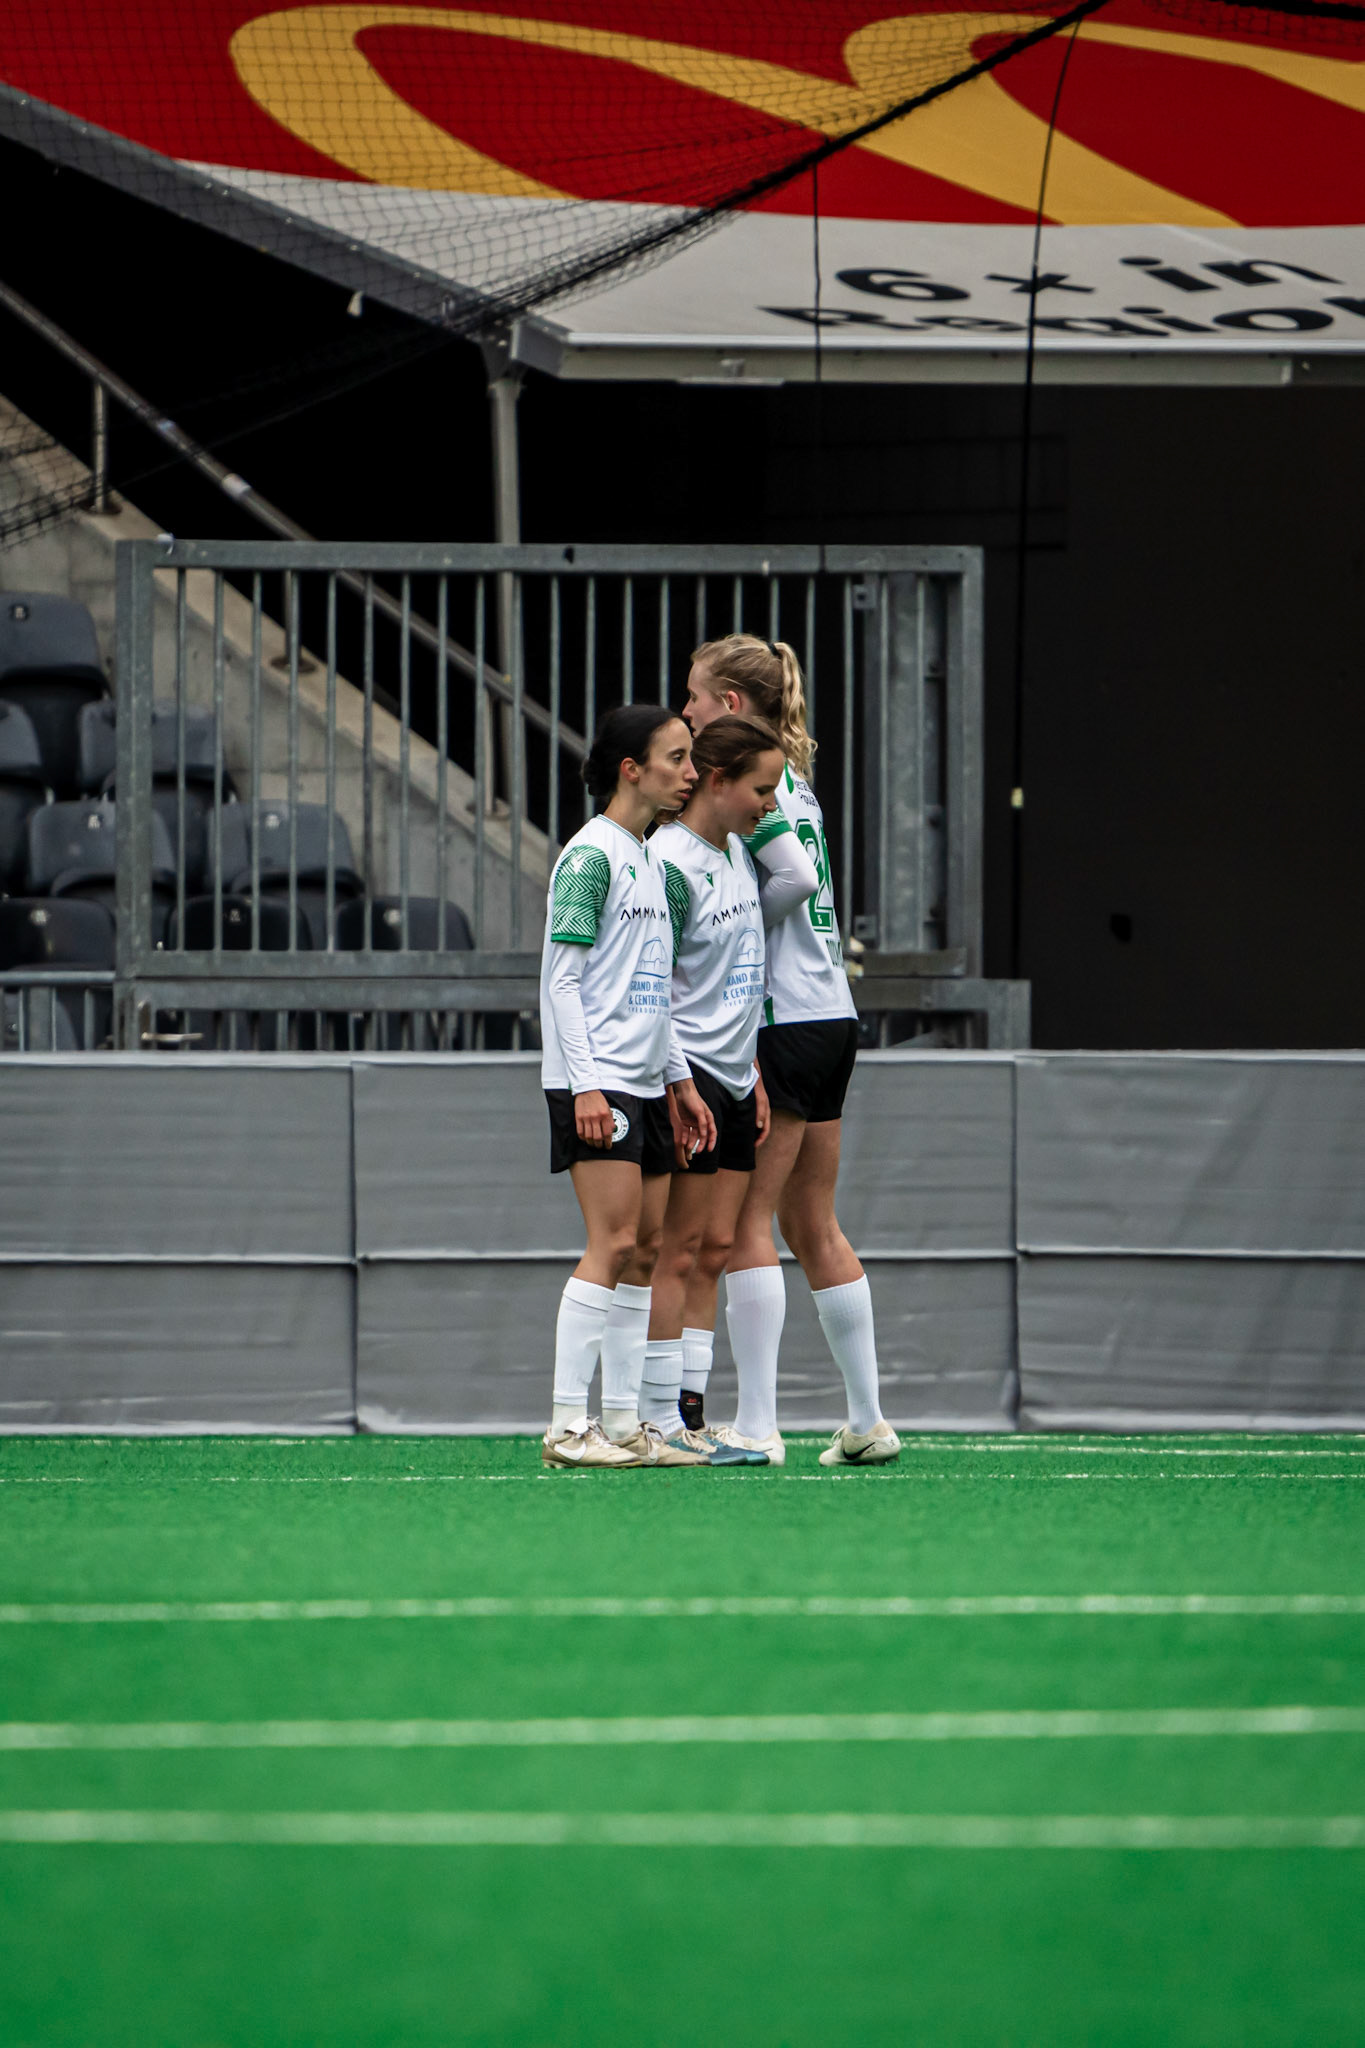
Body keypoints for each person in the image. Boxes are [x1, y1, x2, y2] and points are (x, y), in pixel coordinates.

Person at [683, 635, 901, 1468]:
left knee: (743, 1223)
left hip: (778, 1023)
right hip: (832, 1018)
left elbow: (788, 886)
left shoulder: (750, 791)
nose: (688, 711)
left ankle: (759, 1424)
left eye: (696, 696)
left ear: (730, 706)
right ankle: (865, 1419)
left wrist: (723, 925)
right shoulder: (794, 786)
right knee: (812, 1221)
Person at [539, 703, 718, 1471]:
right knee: (610, 1244)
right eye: (677, 758)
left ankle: (620, 1427)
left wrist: (678, 1082)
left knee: (643, 1250)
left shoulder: (651, 859)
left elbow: (653, 990)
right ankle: (564, 1427)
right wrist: (584, 1087)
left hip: (641, 1083)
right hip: (599, 1081)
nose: (690, 773)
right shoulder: (591, 858)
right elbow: (561, 981)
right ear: (630, 769)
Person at [643, 715, 788, 1460]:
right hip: (689, 1073)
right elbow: (652, 985)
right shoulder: (668, 862)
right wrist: (678, 1079)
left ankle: (690, 1419)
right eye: (761, 788)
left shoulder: (733, 852)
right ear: (719, 781)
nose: (770, 803)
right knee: (679, 1247)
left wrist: (753, 1072)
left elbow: (740, 980)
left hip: (734, 1075)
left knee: (720, 1244)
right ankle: (659, 1422)